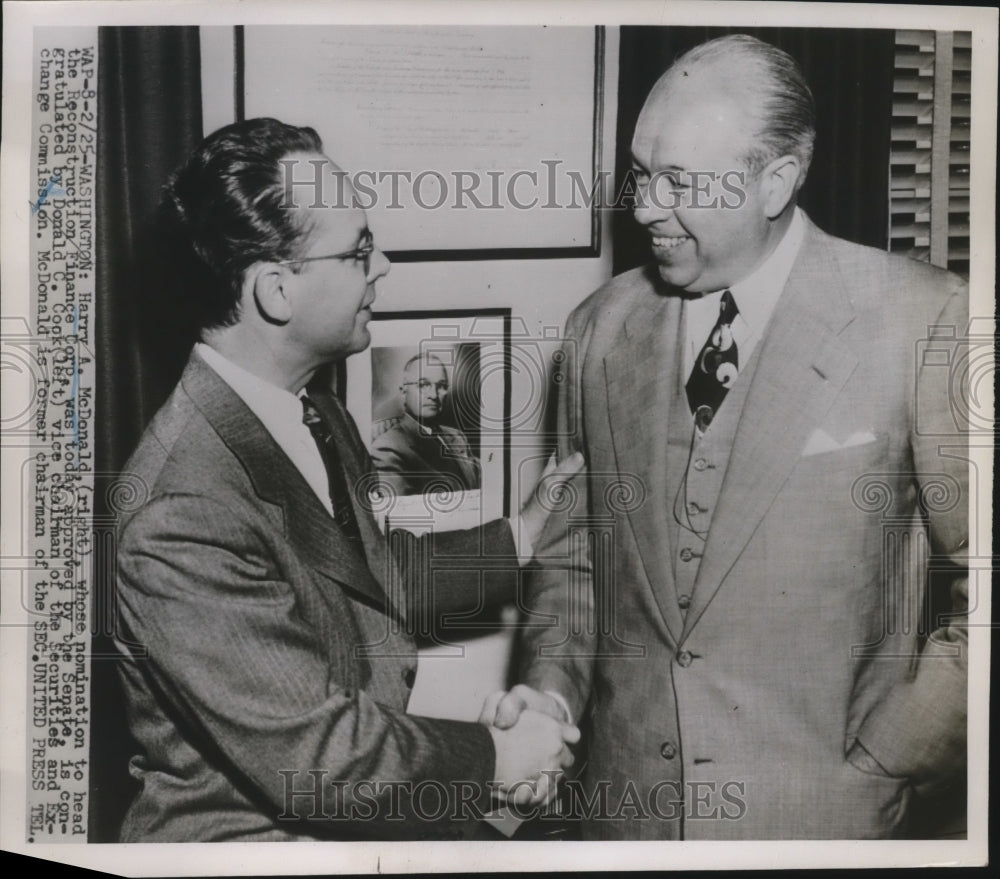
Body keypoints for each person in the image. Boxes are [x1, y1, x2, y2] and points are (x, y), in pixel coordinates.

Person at [484, 35, 970, 839]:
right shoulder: (598, 328)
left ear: (775, 181)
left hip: (823, 820)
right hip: (625, 819)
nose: (645, 207)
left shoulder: (923, 319)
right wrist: (550, 696)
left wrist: (897, 751)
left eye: (678, 182)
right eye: (641, 173)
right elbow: (574, 562)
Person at [111, 117, 582, 842]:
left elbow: (363, 579)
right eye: (359, 250)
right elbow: (320, 758)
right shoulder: (181, 510)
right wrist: (499, 755)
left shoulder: (316, 411)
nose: (382, 265)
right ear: (276, 292)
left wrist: (522, 534)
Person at [371, 353, 482, 496]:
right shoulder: (388, 448)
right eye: (423, 385)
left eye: (441, 386)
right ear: (403, 392)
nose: (434, 395)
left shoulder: (457, 437)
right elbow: (400, 508)